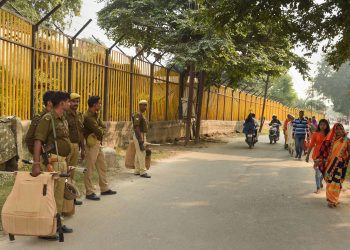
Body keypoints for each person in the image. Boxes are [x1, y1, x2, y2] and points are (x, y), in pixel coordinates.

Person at [32, 91, 73, 240]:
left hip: (61, 161)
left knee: (58, 197)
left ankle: (56, 224)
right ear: (62, 103)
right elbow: (38, 140)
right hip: (51, 162)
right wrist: (36, 163)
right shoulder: (48, 118)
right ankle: (44, 230)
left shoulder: (62, 119)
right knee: (48, 197)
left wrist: (65, 162)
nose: (69, 104)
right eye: (68, 101)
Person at [83, 96, 116, 200]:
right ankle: (89, 192)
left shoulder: (96, 115)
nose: (101, 105)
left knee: (102, 166)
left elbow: (103, 127)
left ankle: (104, 188)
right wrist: (100, 130)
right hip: (91, 145)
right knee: (90, 168)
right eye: (99, 103)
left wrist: (100, 129)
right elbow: (99, 131)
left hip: (97, 143)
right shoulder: (88, 117)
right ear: (94, 105)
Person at [315, 123, 350, 208]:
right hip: (329, 165)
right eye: (337, 129)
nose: (338, 131)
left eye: (340, 129)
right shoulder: (329, 140)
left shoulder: (346, 139)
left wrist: (344, 158)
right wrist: (319, 160)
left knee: (336, 183)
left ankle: (333, 200)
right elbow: (323, 152)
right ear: (334, 130)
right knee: (330, 181)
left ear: (343, 130)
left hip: (340, 165)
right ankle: (330, 199)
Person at [65, 93, 85, 206]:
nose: (76, 103)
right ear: (69, 102)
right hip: (67, 146)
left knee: (71, 172)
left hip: (76, 146)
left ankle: (71, 197)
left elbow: (81, 133)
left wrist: (83, 148)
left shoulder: (79, 115)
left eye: (77, 101)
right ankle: (64, 198)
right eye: (74, 101)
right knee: (65, 172)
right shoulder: (64, 114)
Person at [305, 119, 330, 193]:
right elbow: (311, 145)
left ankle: (320, 181)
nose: (322, 126)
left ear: (327, 125)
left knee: (325, 171)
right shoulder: (315, 134)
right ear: (319, 125)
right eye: (321, 124)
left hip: (326, 155)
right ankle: (318, 188)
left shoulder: (330, 134)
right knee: (317, 171)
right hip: (317, 155)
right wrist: (307, 155)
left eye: (324, 125)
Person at [132, 100, 151, 178]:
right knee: (142, 153)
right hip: (139, 135)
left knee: (138, 153)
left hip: (142, 134)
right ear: (139, 106)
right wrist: (140, 139)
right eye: (143, 105)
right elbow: (136, 127)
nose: (145, 107)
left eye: (146, 105)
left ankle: (137, 170)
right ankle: (143, 171)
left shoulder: (142, 115)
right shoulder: (138, 114)